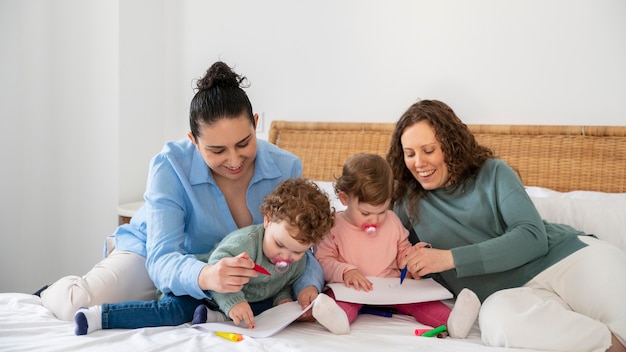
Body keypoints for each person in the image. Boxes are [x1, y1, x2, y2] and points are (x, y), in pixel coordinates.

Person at [39, 61, 324, 323]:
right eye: (217, 150)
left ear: (255, 124)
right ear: (194, 141)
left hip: (218, 274)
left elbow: (302, 245)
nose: (235, 160)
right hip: (152, 253)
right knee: (76, 304)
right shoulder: (170, 165)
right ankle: (50, 291)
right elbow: (162, 259)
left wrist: (308, 286)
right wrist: (206, 275)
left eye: (243, 143)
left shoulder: (287, 166)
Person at [387, 99, 626, 352]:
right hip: (509, 295)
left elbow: (532, 237)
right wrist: (415, 265)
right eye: (410, 154)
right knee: (498, 322)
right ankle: (609, 345)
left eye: (428, 150)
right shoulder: (405, 202)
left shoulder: (493, 172)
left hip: (566, 259)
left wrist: (449, 258)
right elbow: (390, 256)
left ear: (449, 145)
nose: (419, 163)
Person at [74, 178, 343, 335]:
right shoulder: (246, 244)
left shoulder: (299, 259)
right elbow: (217, 274)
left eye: (297, 251)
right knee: (171, 313)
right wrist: (234, 302)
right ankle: (100, 316)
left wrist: (285, 298)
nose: (287, 256)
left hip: (229, 302)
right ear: (268, 220)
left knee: (272, 309)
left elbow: (284, 281)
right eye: (280, 245)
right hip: (199, 288)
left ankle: (214, 318)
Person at [313, 153, 481, 337]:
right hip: (353, 290)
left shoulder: (392, 220)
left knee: (424, 302)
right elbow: (323, 260)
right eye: (366, 213)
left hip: (393, 287)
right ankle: (337, 320)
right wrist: (346, 271)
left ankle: (454, 321)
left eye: (382, 211)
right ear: (344, 199)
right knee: (338, 302)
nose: (375, 220)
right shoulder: (333, 226)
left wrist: (411, 257)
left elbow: (402, 248)